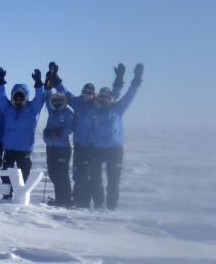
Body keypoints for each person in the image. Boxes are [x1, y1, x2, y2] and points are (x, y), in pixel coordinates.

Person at [51, 62, 124, 208]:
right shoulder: (77, 102)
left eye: (90, 93)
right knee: (78, 175)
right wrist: (55, 77)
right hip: (79, 145)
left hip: (93, 146)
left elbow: (113, 95)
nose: (87, 95)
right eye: (85, 92)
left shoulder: (98, 104)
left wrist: (118, 80)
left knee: (94, 176)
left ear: (94, 94)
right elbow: (64, 92)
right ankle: (79, 201)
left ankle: (98, 201)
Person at [83, 63, 143, 210]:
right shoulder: (93, 113)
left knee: (113, 180)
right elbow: (88, 130)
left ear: (110, 98)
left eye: (107, 97)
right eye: (101, 97)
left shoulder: (118, 109)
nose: (104, 100)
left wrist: (136, 80)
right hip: (97, 149)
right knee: (95, 178)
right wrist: (89, 145)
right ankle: (99, 203)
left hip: (115, 150)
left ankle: (111, 207)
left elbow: (129, 95)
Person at [0, 67, 47, 185]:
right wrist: (0, 81)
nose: (18, 100)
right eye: (16, 97)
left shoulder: (32, 108)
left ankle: (21, 194)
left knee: (25, 172)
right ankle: (7, 194)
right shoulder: (7, 107)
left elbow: (39, 98)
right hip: (9, 148)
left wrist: (38, 84)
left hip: (25, 148)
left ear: (25, 96)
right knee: (7, 172)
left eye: (21, 97)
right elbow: (0, 96)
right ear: (12, 96)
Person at [42, 86, 74, 207]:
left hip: (63, 148)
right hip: (51, 147)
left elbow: (70, 128)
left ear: (63, 101)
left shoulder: (68, 112)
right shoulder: (52, 111)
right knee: (53, 174)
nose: (56, 102)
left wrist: (58, 132)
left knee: (62, 174)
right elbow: (46, 98)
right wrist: (48, 85)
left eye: (59, 100)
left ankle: (66, 199)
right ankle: (60, 197)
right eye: (54, 100)